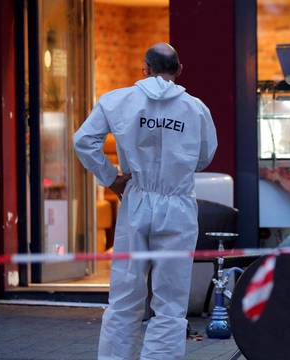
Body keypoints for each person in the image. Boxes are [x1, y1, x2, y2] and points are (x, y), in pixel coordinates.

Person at [74, 42, 217, 359]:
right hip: (177, 205)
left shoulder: (118, 101)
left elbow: (83, 140)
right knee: (170, 302)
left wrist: (110, 176)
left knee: (125, 297)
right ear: (179, 70)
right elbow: (205, 157)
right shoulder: (196, 109)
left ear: (145, 69)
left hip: (136, 200)